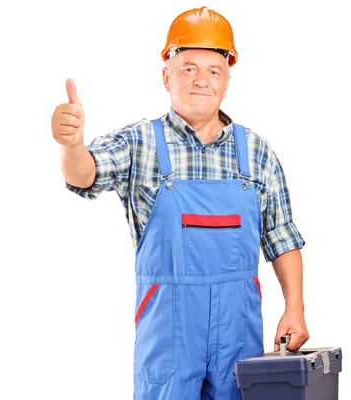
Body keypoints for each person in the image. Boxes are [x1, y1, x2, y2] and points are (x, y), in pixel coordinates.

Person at [51, 6, 309, 399]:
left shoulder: (256, 152)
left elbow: (281, 237)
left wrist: (295, 307)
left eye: (213, 70)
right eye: (188, 67)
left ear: (226, 82)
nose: (200, 80)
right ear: (166, 75)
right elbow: (84, 174)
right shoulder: (140, 143)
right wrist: (71, 145)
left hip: (237, 331)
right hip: (169, 332)